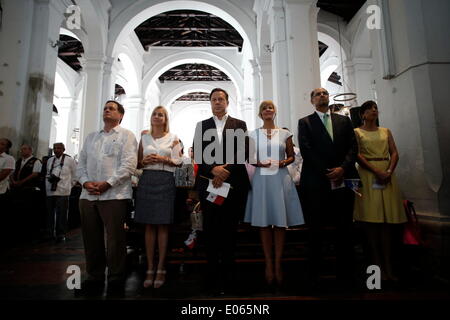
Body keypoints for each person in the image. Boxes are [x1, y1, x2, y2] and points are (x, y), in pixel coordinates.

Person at [297, 88, 359, 291]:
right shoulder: (305, 122)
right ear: (311, 100)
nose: (322, 96)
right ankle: (315, 275)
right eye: (317, 94)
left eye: (325, 93)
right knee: (316, 229)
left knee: (344, 228)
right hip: (316, 181)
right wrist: (327, 171)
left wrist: (343, 168)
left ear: (328, 97)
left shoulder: (343, 121)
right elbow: (306, 149)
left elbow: (353, 147)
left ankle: (345, 274)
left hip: (343, 179)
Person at [193, 88, 250, 295]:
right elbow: (197, 152)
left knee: (229, 231)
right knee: (210, 230)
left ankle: (229, 275)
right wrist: (213, 169)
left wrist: (225, 170)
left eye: (221, 99)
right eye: (214, 99)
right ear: (210, 102)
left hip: (233, 184)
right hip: (209, 184)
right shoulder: (202, 126)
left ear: (227, 102)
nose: (218, 102)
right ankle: (211, 274)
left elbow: (243, 150)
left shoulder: (239, 124)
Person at [76, 100, 137, 294]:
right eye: (105, 108)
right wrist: (85, 182)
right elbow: (81, 163)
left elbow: (128, 165)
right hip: (88, 195)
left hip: (114, 195)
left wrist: (107, 183)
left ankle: (116, 277)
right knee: (91, 238)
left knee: (115, 239)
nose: (107, 110)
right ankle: (94, 276)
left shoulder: (126, 136)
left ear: (120, 115)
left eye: (112, 108)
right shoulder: (91, 137)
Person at [244, 101, 304, 287]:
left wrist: (282, 163)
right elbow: (249, 157)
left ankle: (278, 265)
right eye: (264, 108)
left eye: (270, 108)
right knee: (263, 223)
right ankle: (268, 264)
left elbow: (291, 156)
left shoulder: (285, 133)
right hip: (262, 178)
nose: (268, 110)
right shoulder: (253, 134)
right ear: (260, 114)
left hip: (280, 177)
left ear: (275, 112)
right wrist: (259, 163)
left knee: (279, 223)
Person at [353, 100, 406, 282]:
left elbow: (395, 152)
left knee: (386, 222)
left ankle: (390, 269)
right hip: (369, 175)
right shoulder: (357, 132)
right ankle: (377, 271)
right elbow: (357, 155)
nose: (373, 111)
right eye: (369, 109)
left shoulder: (385, 131)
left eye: (375, 108)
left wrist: (389, 171)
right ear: (362, 114)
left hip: (387, 173)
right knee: (372, 222)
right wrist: (376, 171)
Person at [134, 106, 181, 289]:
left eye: (160, 114)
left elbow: (178, 161)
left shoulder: (174, 138)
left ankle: (161, 267)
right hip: (147, 180)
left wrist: (163, 160)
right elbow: (138, 162)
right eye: (154, 114)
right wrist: (144, 161)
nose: (157, 116)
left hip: (165, 180)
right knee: (149, 225)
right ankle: (150, 268)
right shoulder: (144, 138)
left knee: (162, 225)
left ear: (165, 119)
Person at [44, 142, 77, 243]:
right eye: (55, 148)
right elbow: (47, 173)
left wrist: (69, 186)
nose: (56, 150)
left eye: (59, 148)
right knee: (49, 214)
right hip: (50, 190)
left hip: (63, 191)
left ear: (63, 149)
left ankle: (61, 234)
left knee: (62, 214)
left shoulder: (70, 160)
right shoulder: (50, 160)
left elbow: (75, 175)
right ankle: (49, 233)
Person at [10, 144, 43, 242]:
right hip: (17, 189)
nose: (22, 151)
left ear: (30, 150)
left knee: (28, 210)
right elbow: (12, 172)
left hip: (29, 190)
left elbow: (35, 174)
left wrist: (21, 182)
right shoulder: (19, 161)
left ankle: (29, 233)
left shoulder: (36, 161)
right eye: (21, 149)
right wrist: (13, 181)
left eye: (24, 149)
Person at [0, 138, 15, 248]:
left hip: (2, 191)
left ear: (6, 147)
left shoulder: (9, 159)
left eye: (2, 144)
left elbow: (3, 175)